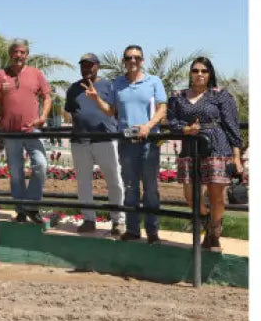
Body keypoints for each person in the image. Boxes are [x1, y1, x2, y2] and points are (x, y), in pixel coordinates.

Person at [85, 44, 167, 243]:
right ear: (124, 61)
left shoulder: (154, 82)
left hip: (149, 142)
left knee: (150, 188)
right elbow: (111, 110)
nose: (133, 61)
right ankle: (132, 230)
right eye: (129, 58)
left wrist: (148, 126)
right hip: (126, 142)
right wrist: (96, 99)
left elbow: (162, 109)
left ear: (142, 60)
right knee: (129, 188)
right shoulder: (118, 84)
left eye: (137, 58)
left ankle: (152, 232)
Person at [167, 57, 244, 252]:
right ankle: (208, 219)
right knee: (190, 197)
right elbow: (172, 122)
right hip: (190, 149)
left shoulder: (220, 96)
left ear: (210, 74)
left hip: (217, 148)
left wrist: (236, 156)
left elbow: (232, 126)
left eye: (204, 71)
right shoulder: (178, 96)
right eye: (195, 70)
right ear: (190, 73)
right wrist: (186, 129)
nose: (199, 74)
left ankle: (214, 235)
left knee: (216, 196)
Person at [0, 40, 52, 225]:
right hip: (10, 132)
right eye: (15, 52)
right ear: (10, 54)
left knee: (41, 165)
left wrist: (44, 116)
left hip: (32, 129)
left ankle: (31, 205)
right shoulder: (1, 74)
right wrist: (1, 90)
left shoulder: (36, 73)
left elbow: (47, 96)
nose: (19, 55)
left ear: (27, 55)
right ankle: (21, 210)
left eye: (22, 52)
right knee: (16, 172)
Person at [65, 53, 125, 237]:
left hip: (105, 140)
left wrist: (96, 99)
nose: (86, 68)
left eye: (90, 65)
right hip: (80, 142)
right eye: (83, 65)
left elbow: (113, 111)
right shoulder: (73, 88)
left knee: (114, 181)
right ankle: (89, 219)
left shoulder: (109, 85)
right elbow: (71, 113)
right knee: (83, 183)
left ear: (97, 66)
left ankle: (118, 221)